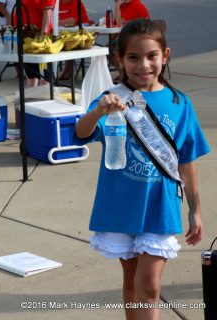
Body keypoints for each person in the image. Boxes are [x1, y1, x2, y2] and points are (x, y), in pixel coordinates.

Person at [73, 19, 210, 320]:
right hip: (122, 204)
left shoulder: (179, 103)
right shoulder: (113, 97)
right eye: (133, 57)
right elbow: (81, 132)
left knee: (148, 284)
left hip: (160, 206)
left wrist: (195, 209)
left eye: (151, 56)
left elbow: (186, 161)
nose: (143, 65)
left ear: (165, 55)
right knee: (131, 282)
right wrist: (99, 110)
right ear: (119, 59)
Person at [20, 0, 55, 87]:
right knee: (30, 71)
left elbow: (47, 13)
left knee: (45, 71)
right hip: (27, 35)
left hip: (41, 36)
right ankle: (31, 95)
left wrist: (43, 35)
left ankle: (45, 95)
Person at [57, 0, 91, 80]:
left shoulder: (76, 2)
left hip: (80, 36)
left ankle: (67, 70)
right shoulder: (57, 3)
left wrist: (56, 22)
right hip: (63, 34)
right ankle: (48, 73)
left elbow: (72, 21)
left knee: (68, 42)